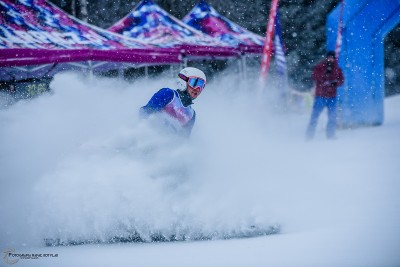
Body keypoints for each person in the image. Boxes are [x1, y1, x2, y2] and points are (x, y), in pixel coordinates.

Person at [139, 67, 206, 137]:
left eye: (201, 86)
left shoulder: (191, 115)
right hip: (150, 137)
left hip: (166, 145)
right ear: (183, 80)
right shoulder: (168, 94)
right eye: (195, 83)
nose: (198, 89)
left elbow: (184, 139)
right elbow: (145, 113)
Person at [306, 51, 344, 140]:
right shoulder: (320, 66)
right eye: (329, 57)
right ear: (326, 58)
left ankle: (330, 135)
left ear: (334, 58)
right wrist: (324, 76)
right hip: (320, 96)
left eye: (332, 58)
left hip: (332, 97)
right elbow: (314, 76)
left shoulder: (337, 69)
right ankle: (309, 136)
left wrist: (335, 83)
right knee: (314, 117)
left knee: (332, 117)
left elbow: (341, 80)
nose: (330, 59)